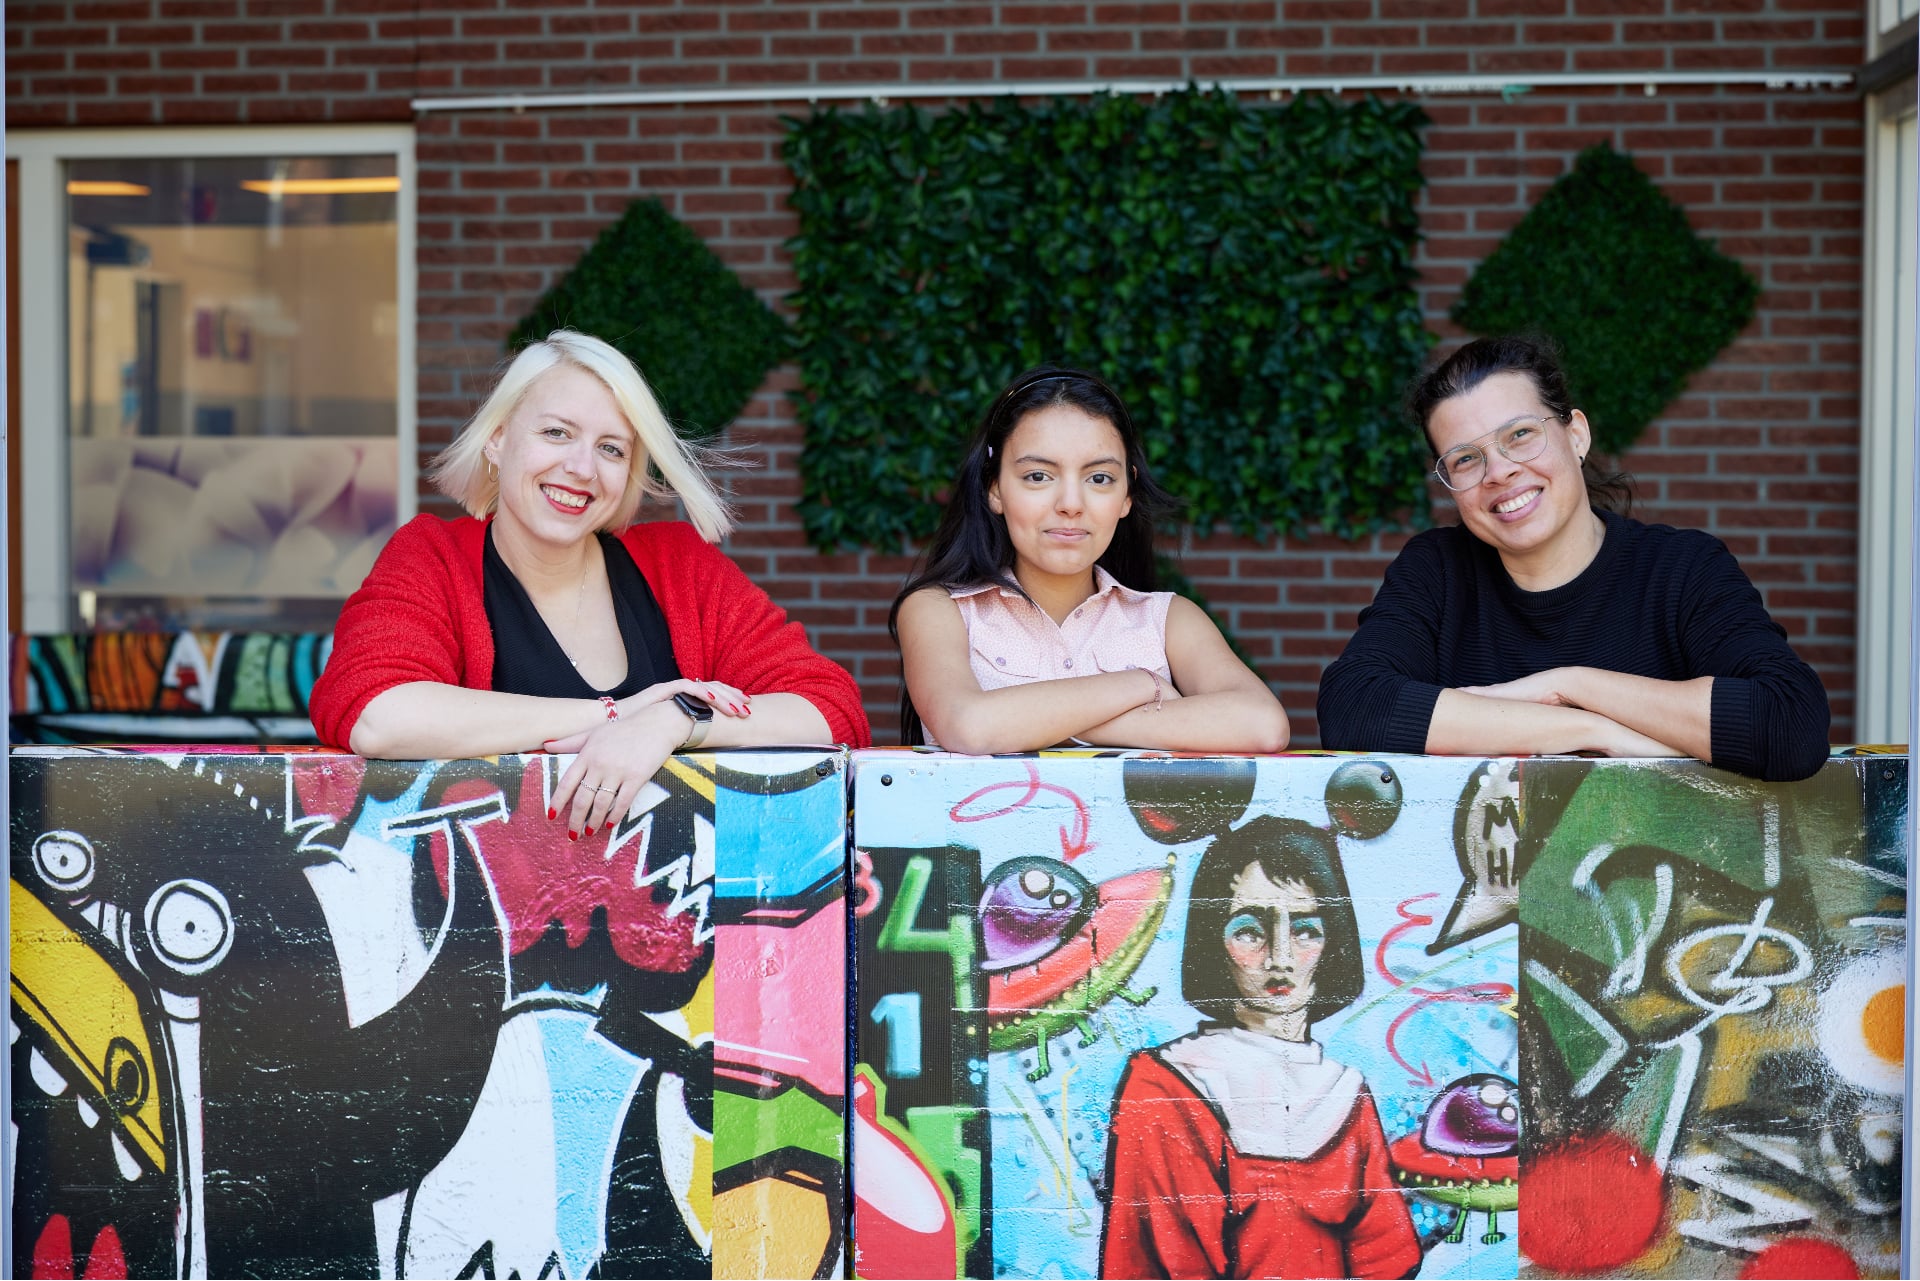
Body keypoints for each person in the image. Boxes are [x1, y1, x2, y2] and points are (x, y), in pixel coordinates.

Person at [309, 330, 869, 833]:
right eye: (557, 432)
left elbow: (829, 711)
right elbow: (377, 714)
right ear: (498, 439)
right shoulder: (433, 556)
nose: (582, 468)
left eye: (611, 449)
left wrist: (675, 721)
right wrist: (618, 714)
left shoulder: (680, 566)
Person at [1317, 335, 1829, 782]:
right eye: (1466, 458)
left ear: (1576, 435)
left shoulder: (1682, 568)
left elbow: (1788, 724)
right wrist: (1591, 730)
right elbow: (1355, 707)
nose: (1499, 472)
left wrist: (1568, 684)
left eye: (1520, 434)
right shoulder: (1437, 571)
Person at [889, 366, 1289, 753]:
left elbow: (1262, 725)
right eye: (1038, 476)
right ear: (994, 489)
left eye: (1099, 478)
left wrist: (1036, 725)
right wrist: (1141, 684)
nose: (1070, 504)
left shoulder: (1168, 620)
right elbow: (968, 726)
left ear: (1127, 495)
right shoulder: (938, 610)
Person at [1101, 817, 1422, 1280]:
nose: (1280, 957)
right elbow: (1173, 1264)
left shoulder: (1346, 1093)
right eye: (1250, 931)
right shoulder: (1165, 1086)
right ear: (1213, 941)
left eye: (1305, 930)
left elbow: (1387, 1257)